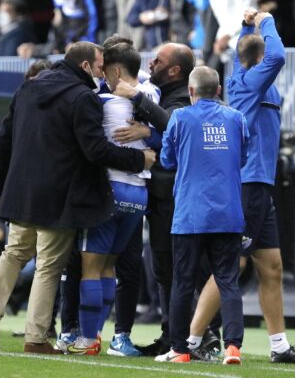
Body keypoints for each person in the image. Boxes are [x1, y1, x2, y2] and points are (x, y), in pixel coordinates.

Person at [0, 42, 155, 355]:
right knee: (47, 265)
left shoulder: (27, 89)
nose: (103, 73)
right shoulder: (82, 98)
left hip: (21, 191)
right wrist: (139, 161)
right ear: (85, 66)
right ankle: (35, 338)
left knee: (14, 253)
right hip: (60, 196)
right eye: (100, 66)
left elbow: (5, 138)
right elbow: (96, 150)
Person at [188, 9, 295, 364]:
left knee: (271, 266)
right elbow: (278, 55)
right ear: (259, 60)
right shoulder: (254, 81)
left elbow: (252, 51)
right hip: (249, 183)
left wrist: (245, 25)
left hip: (260, 185)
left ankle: (279, 345)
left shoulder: (241, 75)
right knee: (232, 266)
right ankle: (193, 340)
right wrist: (268, 20)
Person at [69, 43, 159, 355]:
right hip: (139, 193)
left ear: (115, 72)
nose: (101, 76)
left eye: (105, 71)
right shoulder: (152, 97)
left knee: (91, 267)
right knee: (109, 266)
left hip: (109, 189)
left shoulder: (100, 101)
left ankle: (88, 338)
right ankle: (100, 336)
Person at [155, 66, 248, 365]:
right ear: (219, 91)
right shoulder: (237, 118)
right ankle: (233, 347)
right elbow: (242, 157)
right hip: (228, 213)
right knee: (227, 281)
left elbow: (167, 159)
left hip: (190, 214)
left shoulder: (181, 117)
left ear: (191, 92)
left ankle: (180, 349)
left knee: (182, 281)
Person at [111, 42, 194, 356]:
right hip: (157, 194)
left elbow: (171, 125)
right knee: (163, 268)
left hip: (171, 195)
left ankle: (193, 337)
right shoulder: (161, 94)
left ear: (174, 70)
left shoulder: (183, 99)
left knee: (176, 269)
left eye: (158, 60)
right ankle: (171, 334)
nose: (151, 63)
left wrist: (139, 109)